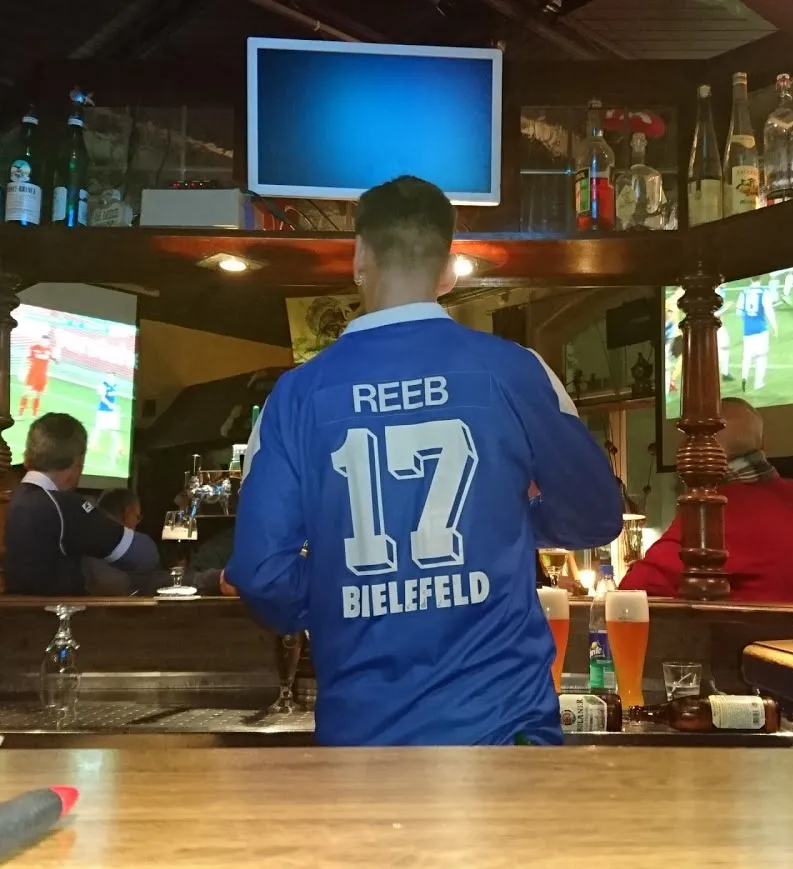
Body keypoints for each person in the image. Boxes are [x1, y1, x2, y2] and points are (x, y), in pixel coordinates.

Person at [227, 174, 623, 747]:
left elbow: (261, 573)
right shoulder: (517, 370)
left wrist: (346, 585)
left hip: (362, 739)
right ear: (447, 271)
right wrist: (507, 527)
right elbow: (596, 515)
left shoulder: (293, 397)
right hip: (505, 734)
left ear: (358, 257)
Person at [620, 398, 793, 603]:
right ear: (763, 444)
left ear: (698, 451)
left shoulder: (711, 510)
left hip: (759, 631)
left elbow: (631, 591)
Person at [4, 413, 160, 595]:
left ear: (27, 458)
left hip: (6, 609)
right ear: (78, 463)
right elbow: (144, 555)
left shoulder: (3, 498)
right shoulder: (62, 507)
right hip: (51, 612)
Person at [732, 280, 777, 391]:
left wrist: (747, 319)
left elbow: (738, 312)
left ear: (750, 279)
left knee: (747, 356)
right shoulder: (764, 292)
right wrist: (775, 327)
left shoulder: (744, 292)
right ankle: (758, 383)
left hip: (748, 330)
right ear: (760, 278)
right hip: (761, 329)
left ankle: (744, 378)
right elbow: (769, 311)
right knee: (761, 356)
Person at [17, 331, 57, 418]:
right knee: (26, 393)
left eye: (46, 341)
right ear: (40, 341)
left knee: (38, 395)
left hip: (42, 376)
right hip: (32, 375)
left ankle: (34, 415)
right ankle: (20, 414)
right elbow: (26, 358)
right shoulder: (33, 348)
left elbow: (54, 360)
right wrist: (23, 369)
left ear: (48, 342)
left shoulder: (49, 350)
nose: (44, 343)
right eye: (42, 341)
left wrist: (56, 359)